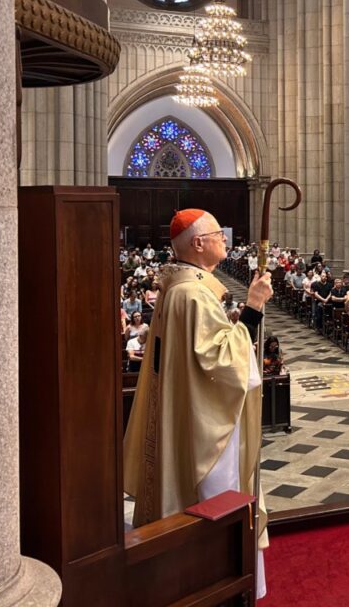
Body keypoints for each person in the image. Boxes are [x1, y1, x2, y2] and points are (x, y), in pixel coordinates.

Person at [123, 209, 271, 598]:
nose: (225, 237)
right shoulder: (191, 294)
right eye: (217, 233)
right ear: (198, 243)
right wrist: (254, 307)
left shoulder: (183, 288)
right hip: (207, 422)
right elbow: (222, 362)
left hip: (189, 408)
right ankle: (220, 582)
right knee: (219, 498)